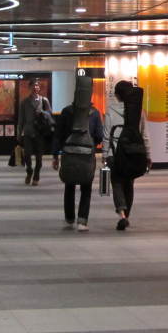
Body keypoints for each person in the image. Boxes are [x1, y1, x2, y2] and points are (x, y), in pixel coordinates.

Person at [52, 87, 104, 231]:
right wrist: (91, 143)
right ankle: (82, 220)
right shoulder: (94, 113)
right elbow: (99, 135)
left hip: (69, 154)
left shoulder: (66, 111)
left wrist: (55, 155)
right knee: (86, 187)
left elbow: (58, 135)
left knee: (69, 185)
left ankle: (69, 217)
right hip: (87, 155)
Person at [105, 80, 150, 230]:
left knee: (116, 182)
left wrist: (105, 154)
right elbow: (144, 135)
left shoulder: (111, 110)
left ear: (117, 95)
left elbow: (107, 135)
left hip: (114, 153)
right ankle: (127, 216)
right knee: (129, 183)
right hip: (132, 152)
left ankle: (122, 213)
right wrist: (148, 155)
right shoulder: (139, 112)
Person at [17, 79, 52, 186]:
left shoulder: (44, 100)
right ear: (30, 87)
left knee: (39, 157)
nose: (36, 87)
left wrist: (42, 112)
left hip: (40, 132)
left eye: (37, 86)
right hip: (28, 132)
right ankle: (29, 171)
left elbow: (49, 114)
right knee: (27, 154)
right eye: (34, 85)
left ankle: (36, 175)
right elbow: (21, 119)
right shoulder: (24, 102)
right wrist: (19, 133)